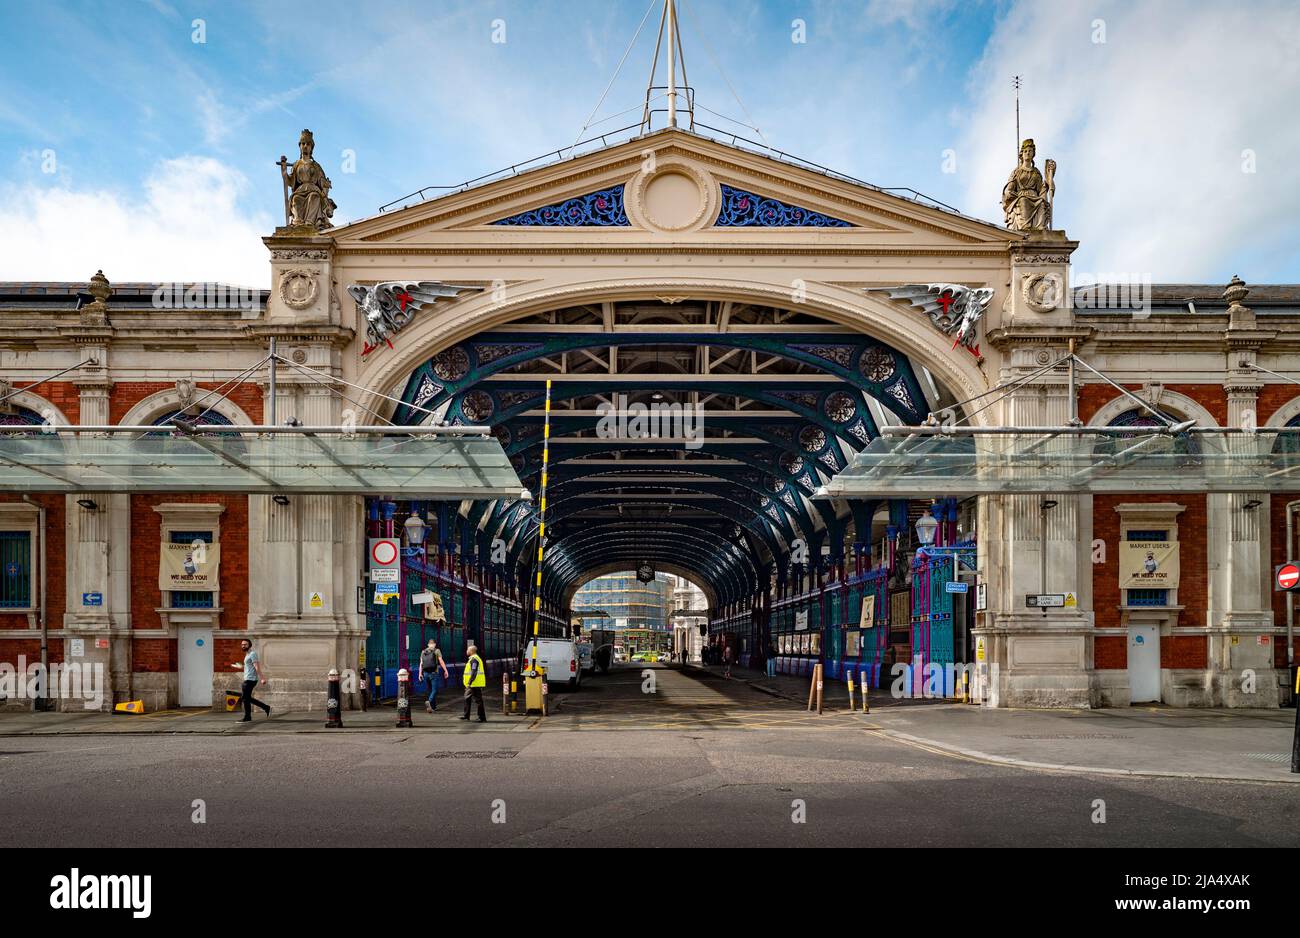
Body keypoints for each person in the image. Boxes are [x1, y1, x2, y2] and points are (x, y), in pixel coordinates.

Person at [229, 638, 271, 722]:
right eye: (242, 644)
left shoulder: (252, 654)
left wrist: (262, 678)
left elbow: (256, 667)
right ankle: (265, 707)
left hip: (250, 680)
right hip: (247, 678)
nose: (243, 646)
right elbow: (249, 667)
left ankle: (248, 717)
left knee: (245, 698)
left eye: (245, 644)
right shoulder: (247, 655)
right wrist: (241, 667)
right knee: (246, 698)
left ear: (249, 645)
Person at [418, 639, 449, 713]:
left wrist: (420, 674)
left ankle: (433, 707)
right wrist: (445, 670)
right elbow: (441, 661)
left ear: (428, 645)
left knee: (429, 690)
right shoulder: (437, 650)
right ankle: (429, 701)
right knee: (434, 690)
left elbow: (421, 664)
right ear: (434, 644)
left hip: (425, 673)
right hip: (434, 673)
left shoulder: (423, 651)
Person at [460, 642, 487, 723]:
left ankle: (482, 718)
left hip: (474, 684)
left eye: (468, 649)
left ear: (471, 651)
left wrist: (470, 682)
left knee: (478, 700)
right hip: (473, 683)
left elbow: (474, 671)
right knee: (467, 698)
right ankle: (466, 715)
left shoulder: (474, 659)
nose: (466, 651)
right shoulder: (473, 659)